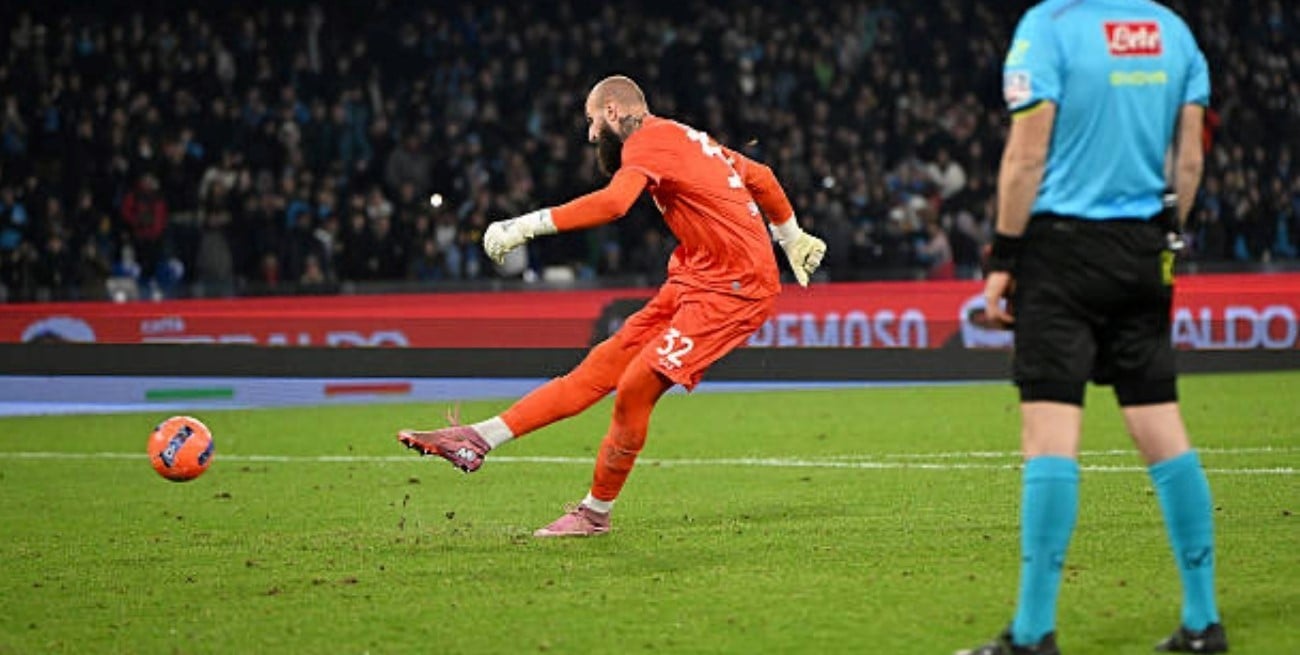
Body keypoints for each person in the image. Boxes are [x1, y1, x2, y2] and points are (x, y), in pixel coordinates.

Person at [396, 75, 826, 537]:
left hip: (735, 290)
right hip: (694, 278)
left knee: (637, 384)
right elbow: (760, 176)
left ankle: (594, 514)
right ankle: (478, 439)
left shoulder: (647, 142)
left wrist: (525, 226)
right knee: (599, 368)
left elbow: (615, 204)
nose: (589, 134)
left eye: (591, 120)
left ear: (613, 112)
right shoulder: (683, 137)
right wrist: (791, 236)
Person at [959, 2, 1222, 654]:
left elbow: (1026, 153)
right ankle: (1203, 619)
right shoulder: (1173, 32)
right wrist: (1163, 239)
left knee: (1049, 432)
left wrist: (1004, 259)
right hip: (1143, 248)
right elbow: (1187, 162)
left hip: (1059, 252)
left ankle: (1032, 632)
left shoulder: (1047, 27)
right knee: (1161, 425)